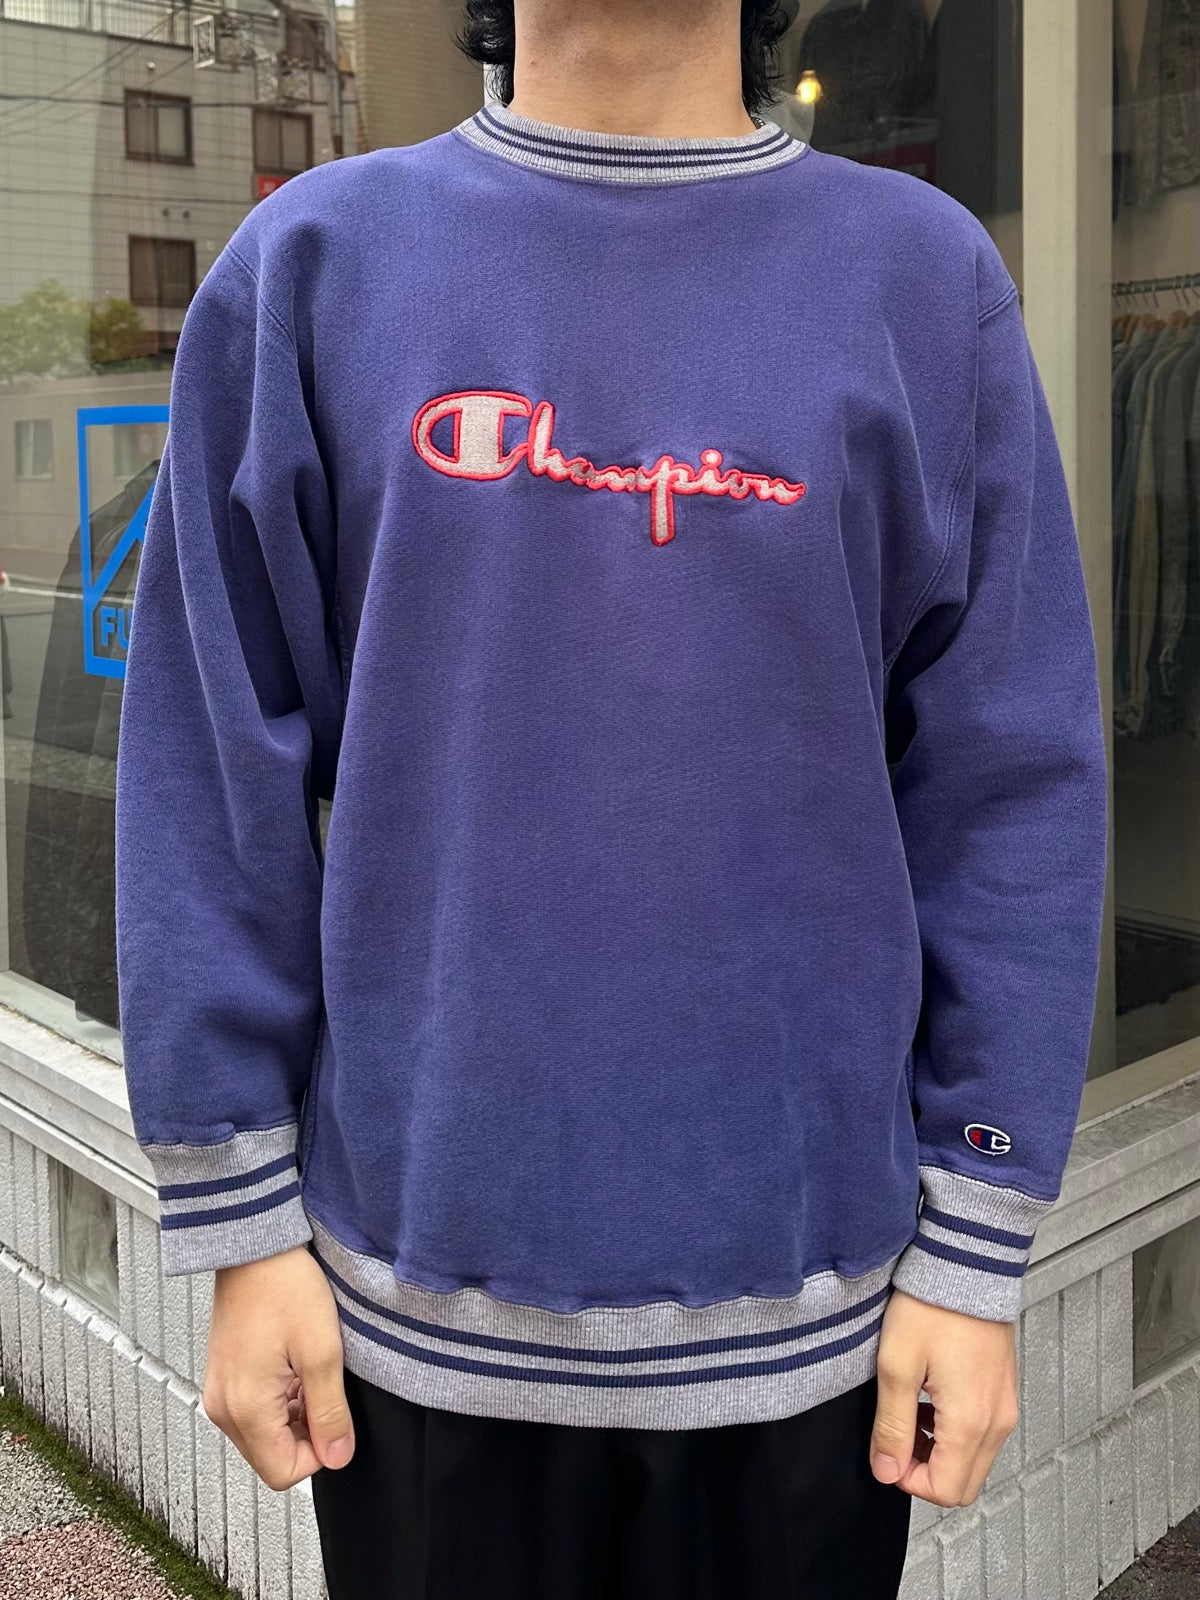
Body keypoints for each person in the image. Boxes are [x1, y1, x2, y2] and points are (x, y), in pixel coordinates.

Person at [112, 2, 1109, 1596]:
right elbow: (208, 760)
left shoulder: (922, 281)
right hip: (413, 1324)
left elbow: (1008, 783)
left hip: (820, 1328)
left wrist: (978, 1238)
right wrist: (240, 1226)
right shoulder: (313, 267)